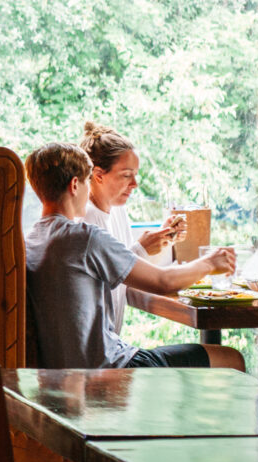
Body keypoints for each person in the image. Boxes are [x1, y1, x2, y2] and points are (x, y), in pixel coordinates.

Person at [25, 142, 245, 370]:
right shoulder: (85, 237)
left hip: (59, 373)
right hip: (108, 368)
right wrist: (210, 262)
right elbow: (164, 282)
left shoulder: (31, 240)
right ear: (74, 185)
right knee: (230, 359)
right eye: (87, 181)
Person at [79, 121, 189, 333]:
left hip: (112, 341)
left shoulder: (117, 210)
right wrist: (142, 249)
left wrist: (161, 240)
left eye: (135, 175)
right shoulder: (86, 220)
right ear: (98, 175)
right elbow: (112, 279)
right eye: (126, 175)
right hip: (99, 348)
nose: (135, 184)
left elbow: (126, 273)